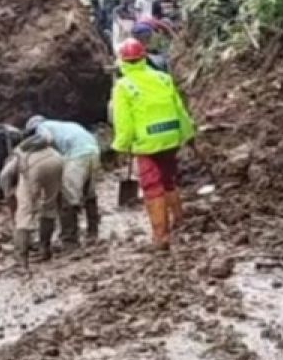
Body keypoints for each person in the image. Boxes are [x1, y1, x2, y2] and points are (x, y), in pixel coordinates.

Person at [111, 39, 196, 250]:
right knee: (169, 179)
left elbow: (124, 122)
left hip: (148, 142)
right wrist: (188, 134)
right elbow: (180, 109)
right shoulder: (163, 78)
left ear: (122, 61)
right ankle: (178, 220)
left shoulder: (123, 86)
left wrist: (121, 146)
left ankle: (161, 237)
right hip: (171, 135)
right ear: (143, 57)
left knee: (151, 186)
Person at [24, 115, 101, 249]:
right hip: (94, 151)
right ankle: (93, 232)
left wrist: (26, 148)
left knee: (67, 195)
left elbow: (45, 139)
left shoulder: (42, 128)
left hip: (77, 155)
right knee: (89, 192)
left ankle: (69, 240)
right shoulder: (66, 125)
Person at [0, 135, 64, 269]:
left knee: (24, 212)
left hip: (34, 166)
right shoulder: (37, 147)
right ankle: (45, 249)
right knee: (49, 205)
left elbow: (4, 177)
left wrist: (9, 196)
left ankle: (21, 259)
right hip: (56, 160)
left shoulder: (14, 159)